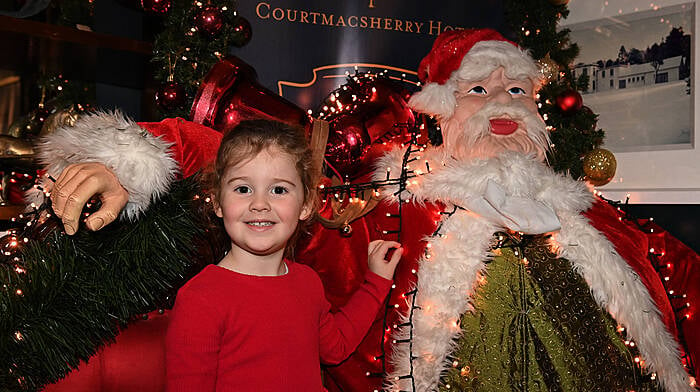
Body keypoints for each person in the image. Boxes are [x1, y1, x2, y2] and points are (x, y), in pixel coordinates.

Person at [38, 29, 697, 392]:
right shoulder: (383, 214)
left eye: (517, 87)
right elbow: (235, 158)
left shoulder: (602, 220)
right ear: (441, 112)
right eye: (478, 87)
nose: (503, 100)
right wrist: (124, 159)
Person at [165, 119, 402, 391]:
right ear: (218, 202)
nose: (260, 204)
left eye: (278, 190)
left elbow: (335, 347)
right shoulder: (200, 299)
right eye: (243, 189)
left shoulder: (307, 282)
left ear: (305, 205)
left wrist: (376, 282)